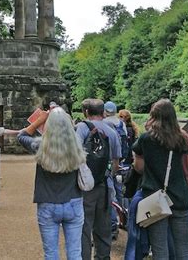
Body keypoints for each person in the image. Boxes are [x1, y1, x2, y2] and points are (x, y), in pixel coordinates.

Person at [18, 106, 86, 260]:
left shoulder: (40, 146)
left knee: (51, 254)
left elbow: (21, 136)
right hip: (73, 201)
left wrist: (38, 121)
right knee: (75, 253)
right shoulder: (77, 146)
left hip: (47, 202)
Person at [132, 98, 188, 260]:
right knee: (183, 251)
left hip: (155, 199)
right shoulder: (182, 138)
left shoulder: (146, 139)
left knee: (160, 251)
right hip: (180, 197)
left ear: (153, 116)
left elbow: (139, 167)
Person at [75, 99, 121, 260]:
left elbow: (75, 156)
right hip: (105, 185)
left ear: (86, 112)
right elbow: (116, 163)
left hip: (84, 187)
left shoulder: (81, 129)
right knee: (103, 227)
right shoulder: (112, 132)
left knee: (84, 227)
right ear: (103, 113)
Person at [103, 101, 126, 239]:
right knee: (119, 192)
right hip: (120, 162)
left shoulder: (104, 123)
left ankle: (112, 225)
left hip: (108, 163)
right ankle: (123, 219)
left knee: (109, 195)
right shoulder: (120, 123)